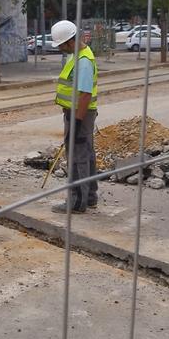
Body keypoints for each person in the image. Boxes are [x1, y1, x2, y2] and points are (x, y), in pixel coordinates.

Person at [49, 19, 99, 214]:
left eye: (61, 45)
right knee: (87, 154)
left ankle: (77, 202)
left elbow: (85, 94)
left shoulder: (83, 61)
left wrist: (76, 123)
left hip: (80, 114)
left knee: (77, 157)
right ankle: (91, 196)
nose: (61, 48)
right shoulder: (78, 56)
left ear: (70, 41)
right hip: (81, 113)